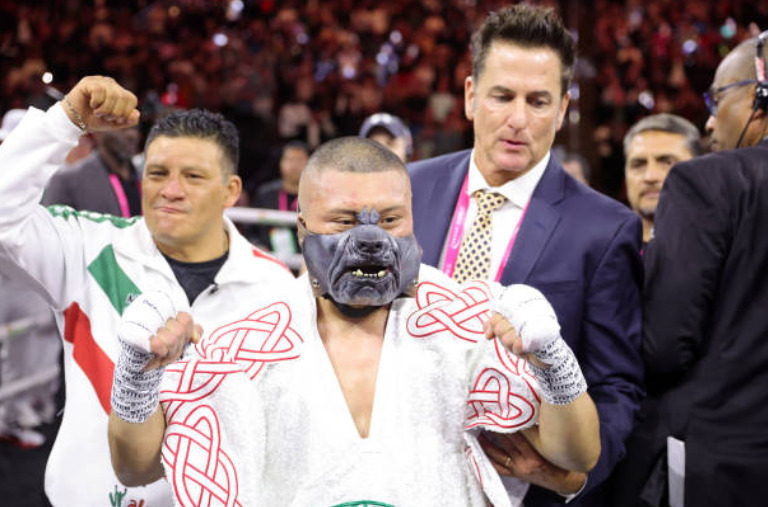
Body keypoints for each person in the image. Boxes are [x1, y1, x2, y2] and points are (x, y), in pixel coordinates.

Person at [108, 136, 601, 507]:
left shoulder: (469, 322)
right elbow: (136, 469)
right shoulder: (248, 339)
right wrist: (135, 375)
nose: (370, 240)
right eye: (344, 222)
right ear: (302, 226)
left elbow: (578, 456)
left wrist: (552, 360)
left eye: (389, 220)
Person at [0, 76, 294, 507]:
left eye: (193, 176)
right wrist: (66, 121)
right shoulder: (90, 247)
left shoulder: (275, 287)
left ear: (231, 191)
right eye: (157, 173)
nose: (170, 191)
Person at [408, 5, 644, 506]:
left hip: (518, 487)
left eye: (538, 101)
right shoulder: (408, 188)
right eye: (502, 96)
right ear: (472, 97)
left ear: (561, 111)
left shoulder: (603, 229)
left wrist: (574, 478)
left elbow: (616, 385)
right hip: (402, 467)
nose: (518, 119)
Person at [619, 32, 768, 507]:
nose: (708, 120)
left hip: (723, 465)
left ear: (758, 95)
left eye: (717, 97)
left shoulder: (710, 180)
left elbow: (664, 347)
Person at [622, 114, 703, 247]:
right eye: (638, 164)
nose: (650, 177)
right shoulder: (602, 253)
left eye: (667, 162)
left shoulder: (726, 249)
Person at [42, 124, 143, 217]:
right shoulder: (68, 180)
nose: (132, 135)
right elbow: (51, 230)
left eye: (134, 128)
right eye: (122, 128)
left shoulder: (145, 177)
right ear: (98, 132)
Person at [249, 140, 310, 254]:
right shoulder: (265, 194)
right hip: (269, 261)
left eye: (300, 160)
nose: (294, 166)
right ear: (281, 163)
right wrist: (258, 246)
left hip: (304, 262)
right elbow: (251, 231)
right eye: (290, 159)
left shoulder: (317, 198)